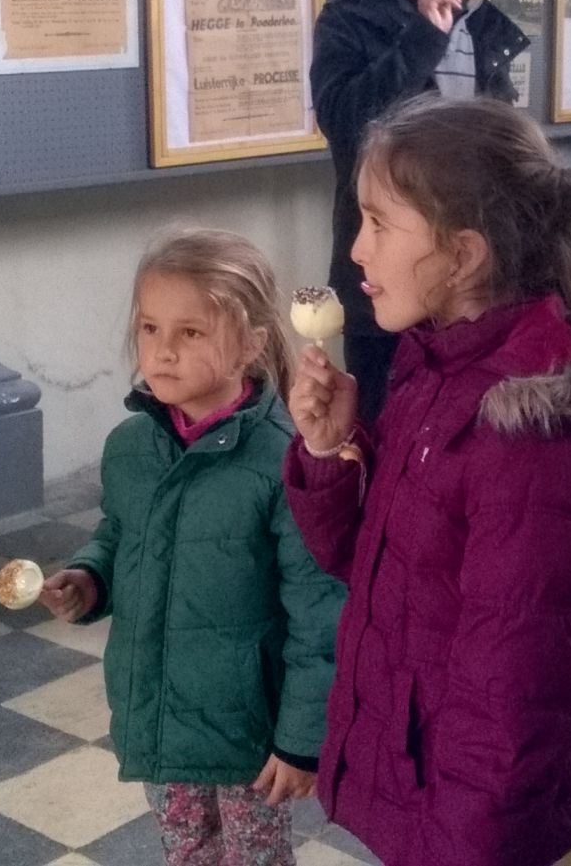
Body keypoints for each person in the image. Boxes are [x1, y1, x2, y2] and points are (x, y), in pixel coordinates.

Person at [283, 96, 571, 865]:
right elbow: (370, 566)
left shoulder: (524, 430)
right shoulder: (436, 367)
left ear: (464, 254)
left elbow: (512, 689)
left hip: (464, 819)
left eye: (378, 223)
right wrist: (332, 450)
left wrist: (461, 848)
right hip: (417, 781)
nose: (356, 250)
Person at [37, 229, 344, 865]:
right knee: (187, 854)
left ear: (251, 344)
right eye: (150, 328)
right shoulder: (130, 448)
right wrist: (91, 579)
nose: (163, 351)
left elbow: (319, 609)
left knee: (255, 860)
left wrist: (302, 738)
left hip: (247, 732)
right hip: (158, 712)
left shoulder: (286, 459)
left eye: (191, 332)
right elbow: (121, 534)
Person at [310, 0, 529, 421]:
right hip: (389, 277)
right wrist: (422, 40)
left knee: (467, 429)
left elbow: (501, 144)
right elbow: (346, 123)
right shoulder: (348, 22)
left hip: (475, 272)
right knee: (385, 429)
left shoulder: (481, 25)